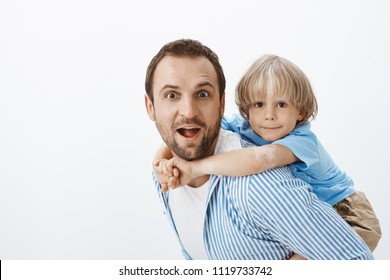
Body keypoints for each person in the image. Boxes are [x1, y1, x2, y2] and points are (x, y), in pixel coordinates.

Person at [145, 38, 373, 260]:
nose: (269, 115)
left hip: (347, 210)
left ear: (220, 105)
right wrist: (159, 162)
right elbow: (187, 128)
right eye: (171, 95)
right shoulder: (167, 175)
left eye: (202, 94)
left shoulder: (276, 170)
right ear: (150, 106)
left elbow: (259, 159)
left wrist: (194, 168)